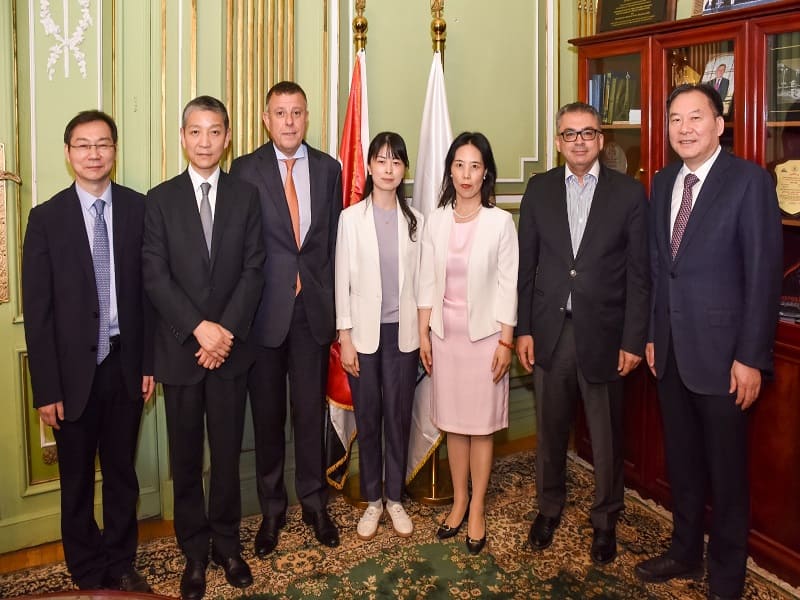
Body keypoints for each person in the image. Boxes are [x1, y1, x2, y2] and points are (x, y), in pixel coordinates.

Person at [635, 84, 783, 600]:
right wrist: (654, 336)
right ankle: (683, 551)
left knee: (726, 472)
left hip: (726, 359)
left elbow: (763, 276)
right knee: (683, 462)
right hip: (671, 353)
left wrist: (751, 357)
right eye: (675, 119)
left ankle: (725, 576)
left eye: (696, 117)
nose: (684, 128)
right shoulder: (662, 181)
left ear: (720, 124)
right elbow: (659, 269)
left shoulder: (749, 182)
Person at [22, 110, 154, 592]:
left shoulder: (140, 209)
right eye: (83, 144)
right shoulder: (45, 218)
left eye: (103, 144)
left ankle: (120, 562)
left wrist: (147, 364)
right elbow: (37, 313)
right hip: (72, 373)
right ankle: (86, 569)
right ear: (68, 152)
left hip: (125, 363)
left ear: (115, 151)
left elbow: (149, 297)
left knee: (122, 473)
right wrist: (46, 389)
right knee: (75, 481)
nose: (94, 153)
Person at [516, 101, 649, 565]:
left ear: (600, 140)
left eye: (587, 133)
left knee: (607, 436)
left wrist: (633, 340)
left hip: (606, 336)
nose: (578, 141)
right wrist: (524, 330)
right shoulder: (538, 190)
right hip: (551, 331)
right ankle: (548, 508)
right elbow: (526, 266)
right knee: (550, 432)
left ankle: (605, 520)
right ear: (557, 142)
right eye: (569, 134)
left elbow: (639, 275)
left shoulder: (629, 195)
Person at [142, 95, 265, 600]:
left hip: (230, 353)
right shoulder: (161, 198)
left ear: (228, 136)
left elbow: (254, 269)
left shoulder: (246, 195)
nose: (205, 141)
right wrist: (199, 329)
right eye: (196, 131)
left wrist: (223, 333)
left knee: (229, 455)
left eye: (215, 131)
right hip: (183, 353)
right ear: (183, 136)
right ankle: (194, 552)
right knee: (188, 459)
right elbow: (155, 275)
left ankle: (227, 544)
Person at [230, 81, 343, 555]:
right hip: (263, 315)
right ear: (265, 119)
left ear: (307, 116)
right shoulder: (244, 170)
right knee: (270, 419)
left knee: (309, 414)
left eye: (297, 112)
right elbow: (238, 247)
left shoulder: (328, 169)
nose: (290, 121)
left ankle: (315, 503)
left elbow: (335, 243)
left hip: (313, 313)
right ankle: (272, 512)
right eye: (280, 113)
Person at [418, 131, 518, 555]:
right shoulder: (436, 219)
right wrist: (423, 332)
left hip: (485, 339)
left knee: (481, 428)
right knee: (454, 425)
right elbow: (425, 279)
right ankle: (458, 499)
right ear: (450, 170)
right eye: (459, 164)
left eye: (475, 166)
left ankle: (477, 506)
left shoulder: (500, 222)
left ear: (486, 173)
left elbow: (507, 284)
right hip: (445, 337)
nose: (466, 174)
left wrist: (507, 342)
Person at [335, 132, 423, 541]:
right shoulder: (350, 219)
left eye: (397, 162)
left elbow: (423, 283)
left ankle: (395, 497)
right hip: (364, 339)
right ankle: (373, 500)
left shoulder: (416, 221)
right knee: (368, 419)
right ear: (369, 166)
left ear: (404, 169)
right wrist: (346, 336)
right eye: (381, 161)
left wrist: (423, 334)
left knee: (399, 418)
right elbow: (341, 283)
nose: (389, 169)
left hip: (403, 337)